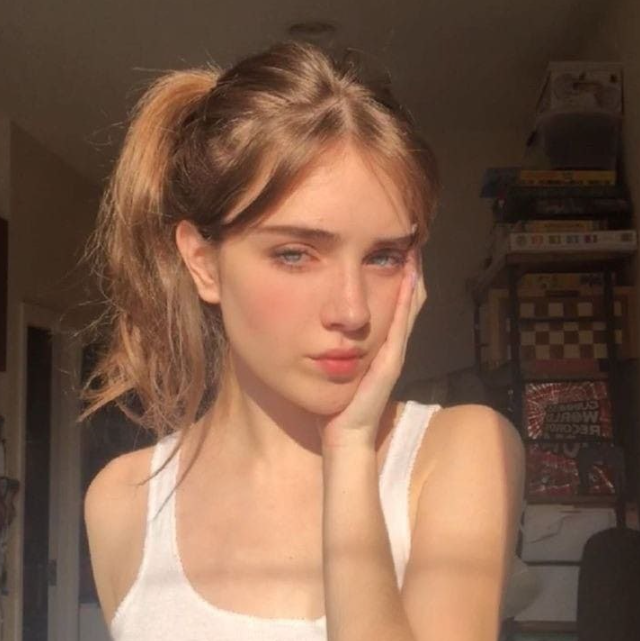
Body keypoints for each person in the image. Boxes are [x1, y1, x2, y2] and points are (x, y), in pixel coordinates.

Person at [82, 40, 525, 641]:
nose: (352, 311)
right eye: (295, 254)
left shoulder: (457, 453)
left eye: (384, 256)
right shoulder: (125, 502)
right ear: (203, 262)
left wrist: (350, 451)